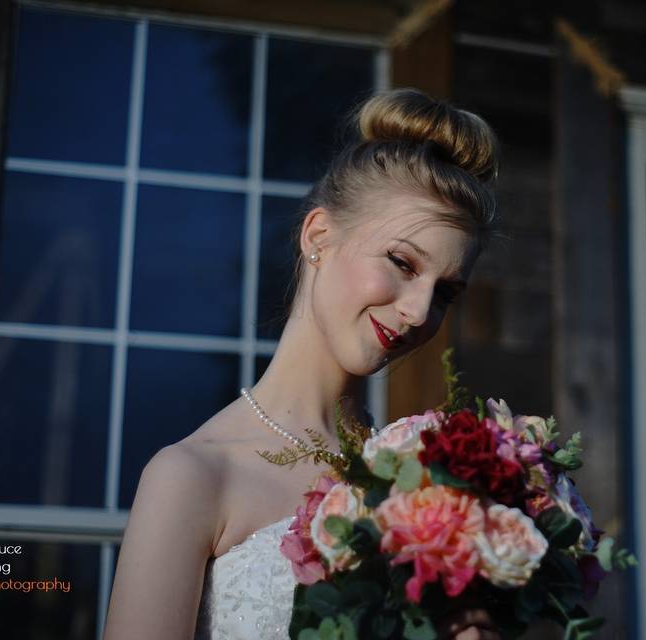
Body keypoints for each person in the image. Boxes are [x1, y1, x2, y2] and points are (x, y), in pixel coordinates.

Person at [103, 88, 503, 640]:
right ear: (318, 235)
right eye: (402, 263)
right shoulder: (192, 478)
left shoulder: (422, 482)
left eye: (445, 293)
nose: (418, 311)